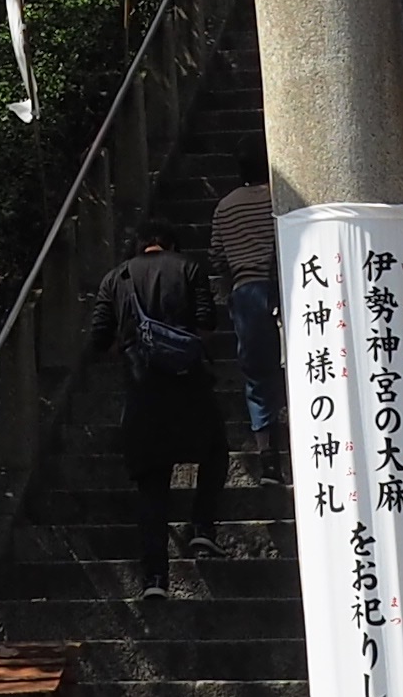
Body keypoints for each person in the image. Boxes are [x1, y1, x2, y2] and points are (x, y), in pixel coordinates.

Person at [93, 226, 225, 588]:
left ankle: (155, 578)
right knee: (215, 450)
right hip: (189, 387)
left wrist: (134, 349)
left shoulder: (114, 278)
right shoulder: (188, 268)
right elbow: (206, 323)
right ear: (170, 244)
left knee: (152, 485)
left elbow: (99, 338)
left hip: (142, 392)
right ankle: (202, 525)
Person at [206, 174, 283, 477]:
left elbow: (216, 257)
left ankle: (267, 454)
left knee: (256, 375)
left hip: (245, 292)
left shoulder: (224, 207)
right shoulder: (276, 199)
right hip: (284, 285)